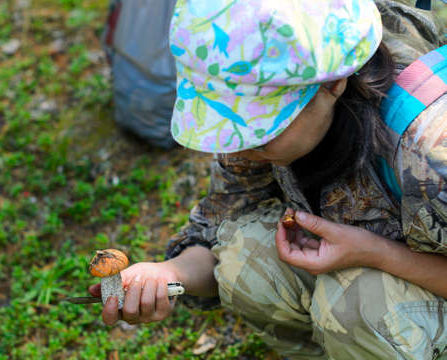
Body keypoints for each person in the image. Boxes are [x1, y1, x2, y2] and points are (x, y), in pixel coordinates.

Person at [89, 0, 447, 358]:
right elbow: (218, 225)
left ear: (334, 83)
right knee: (243, 262)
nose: (240, 145)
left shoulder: (431, 147)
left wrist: (377, 253)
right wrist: (167, 275)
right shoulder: (251, 130)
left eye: (259, 128)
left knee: (359, 306)